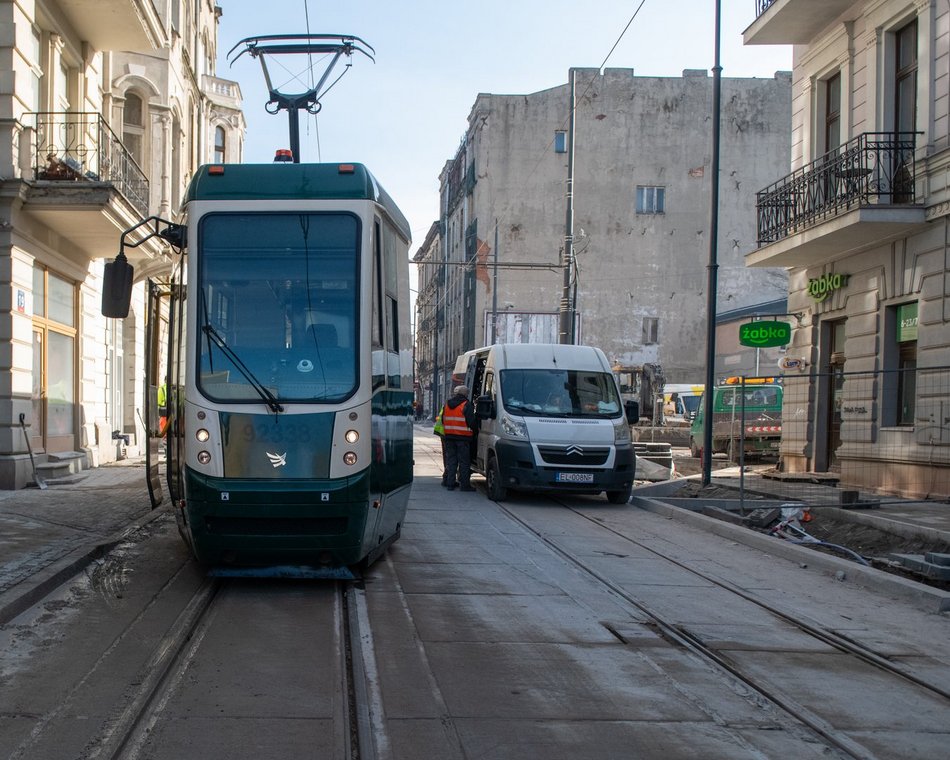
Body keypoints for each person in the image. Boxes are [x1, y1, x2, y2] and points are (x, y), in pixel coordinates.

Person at [441, 384, 476, 491]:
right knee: (464, 462)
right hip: (463, 438)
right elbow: (471, 422)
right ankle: (465, 485)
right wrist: (476, 429)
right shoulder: (466, 404)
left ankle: (450, 484)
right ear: (465, 394)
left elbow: (443, 420)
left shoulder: (447, 404)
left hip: (449, 437)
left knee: (451, 461)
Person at [433, 406, 448, 487]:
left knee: (447, 457)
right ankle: (447, 478)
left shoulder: (446, 405)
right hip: (450, 434)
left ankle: (446, 478)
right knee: (451, 458)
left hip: (443, 433)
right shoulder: (462, 405)